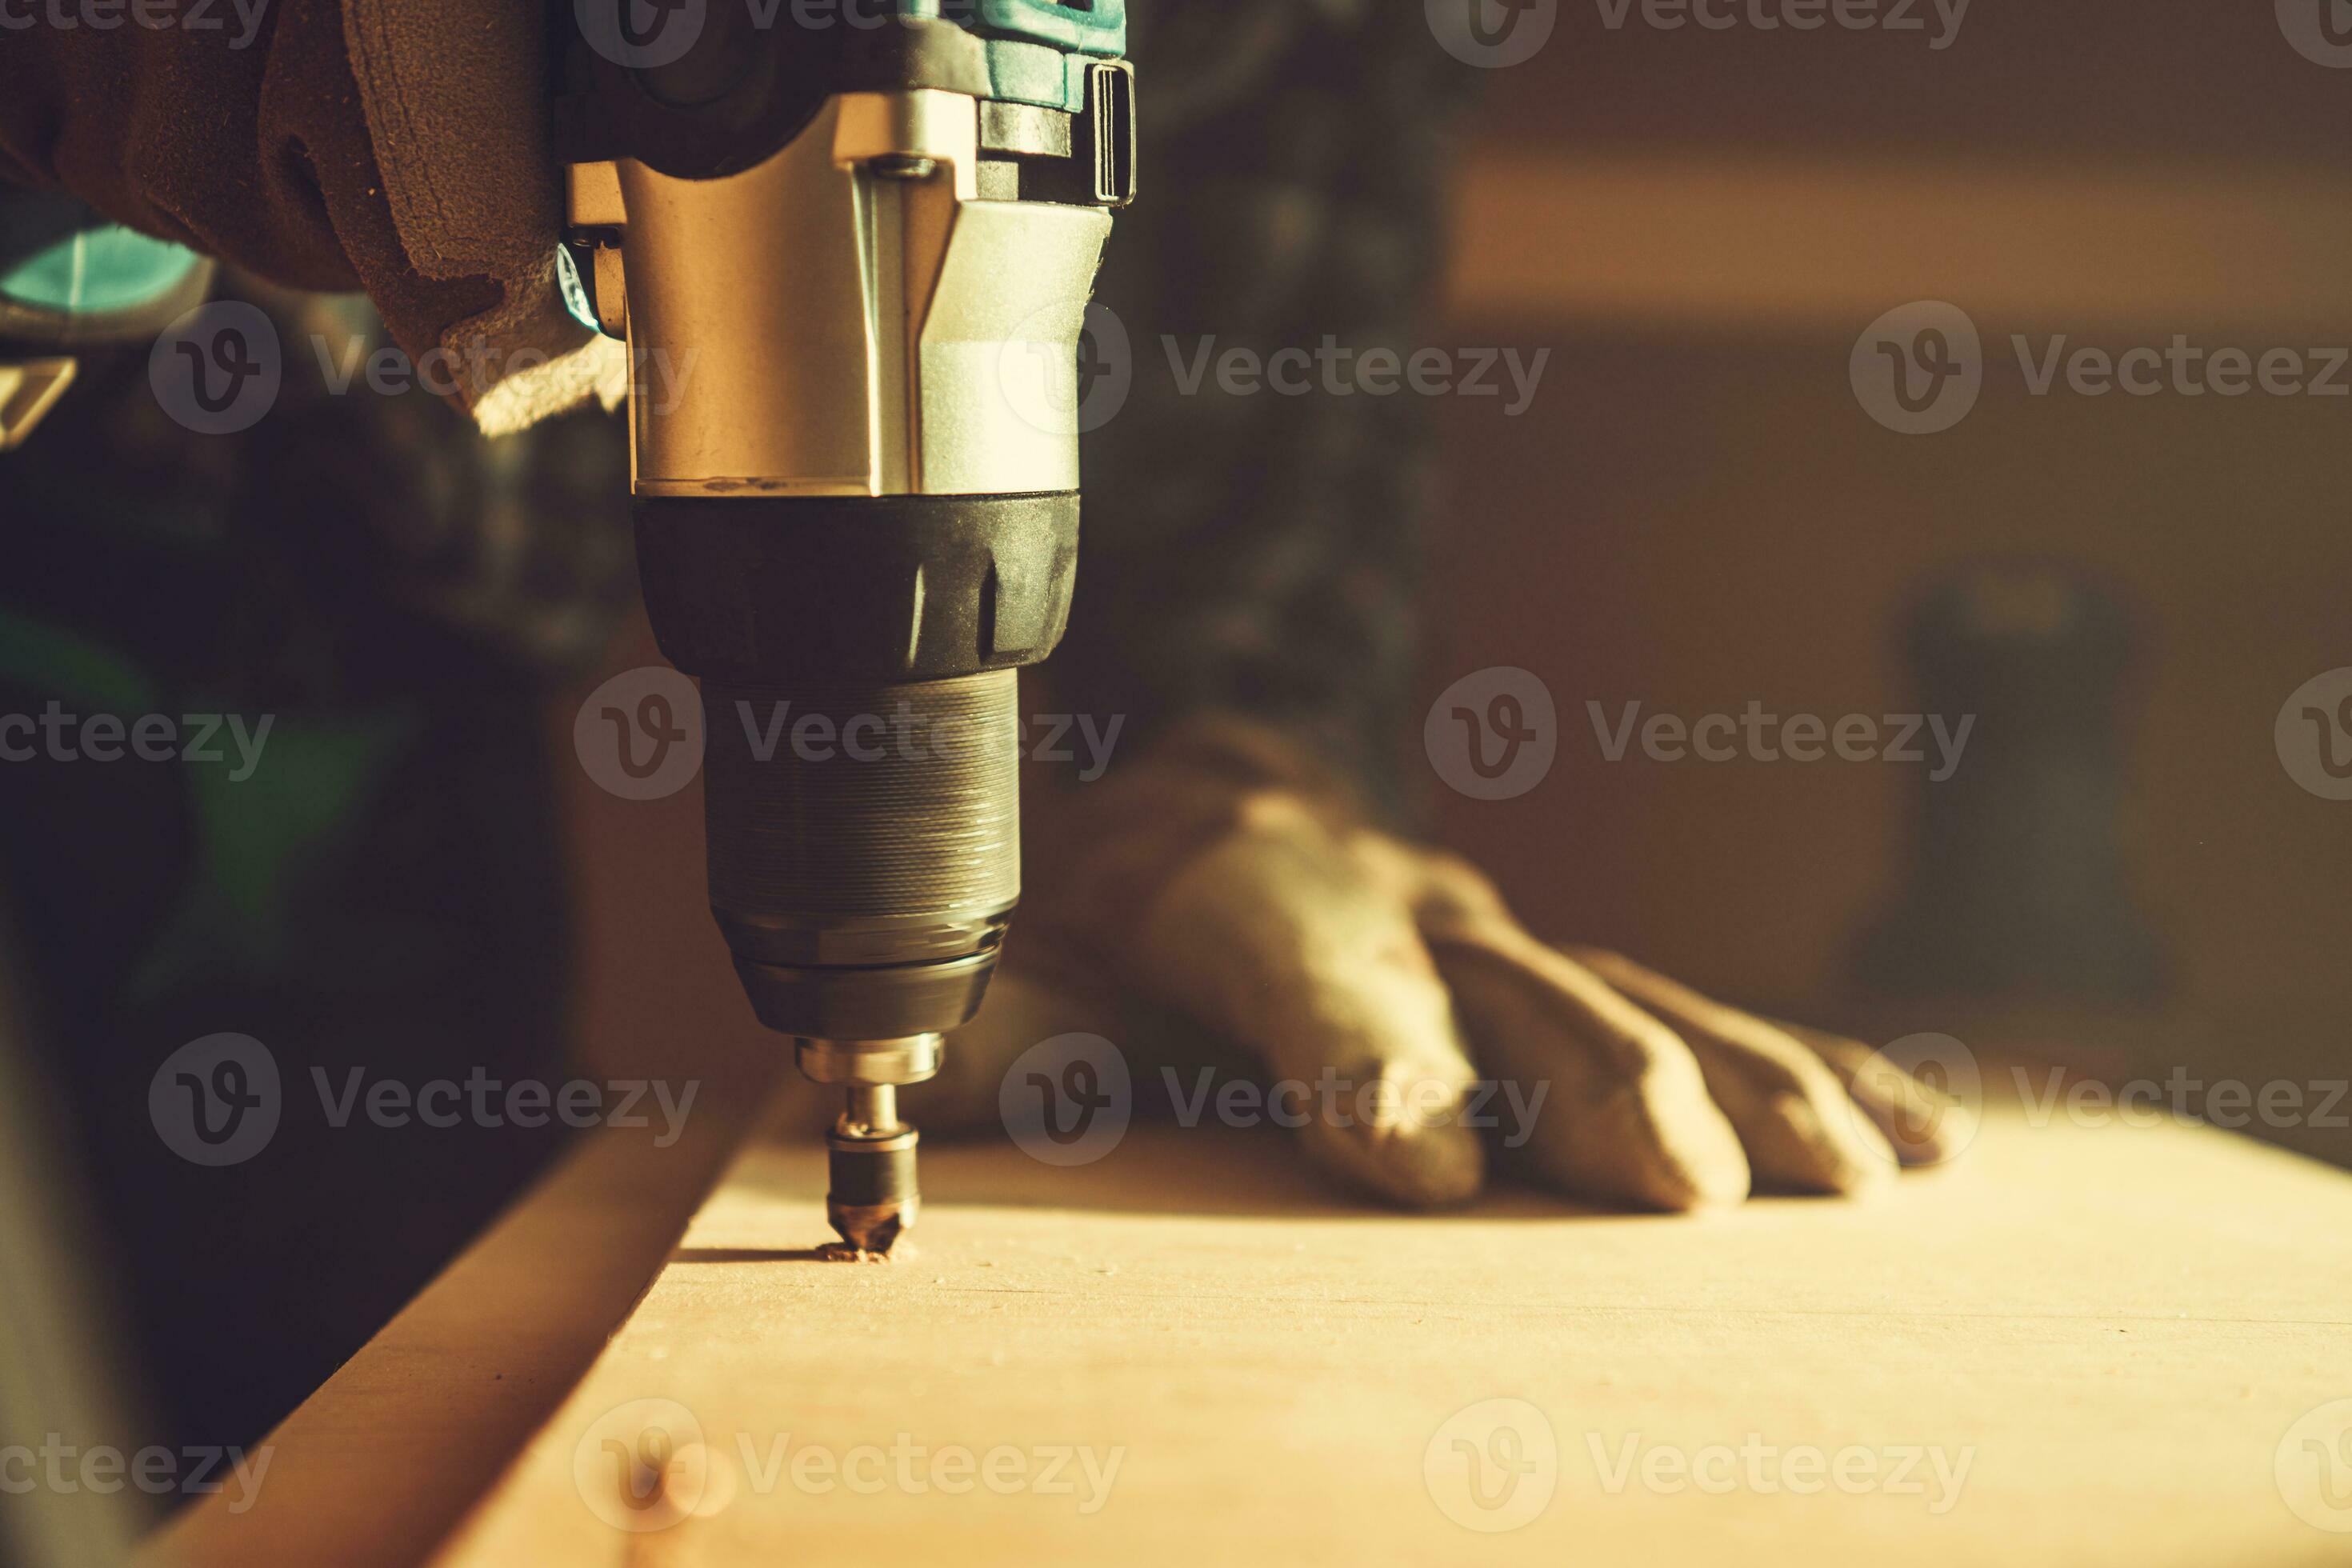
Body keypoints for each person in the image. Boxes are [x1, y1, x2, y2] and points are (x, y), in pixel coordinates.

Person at [0, 0, 1961, 1469]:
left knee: (373, 1427)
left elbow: (1298, 149)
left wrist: (1229, 777)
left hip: (375, 767)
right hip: (104, 580)